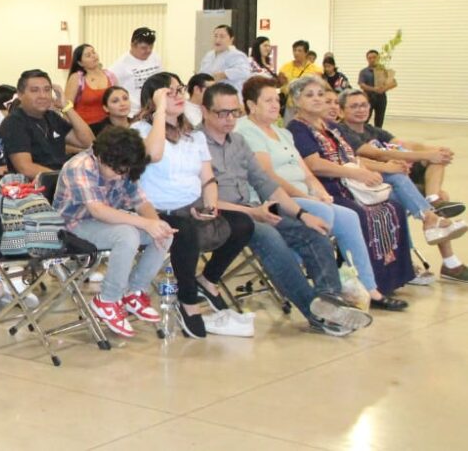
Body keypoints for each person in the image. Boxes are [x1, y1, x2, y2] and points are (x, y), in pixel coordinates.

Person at [201, 82, 377, 333]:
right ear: (205, 111)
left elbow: (265, 182)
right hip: (220, 214)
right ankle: (317, 316)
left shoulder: (238, 141)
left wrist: (302, 214)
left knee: (315, 233)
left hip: (254, 210)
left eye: (234, 112)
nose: (230, 119)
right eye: (222, 113)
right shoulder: (195, 144)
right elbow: (198, 200)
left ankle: (330, 301)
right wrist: (254, 212)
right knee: (271, 239)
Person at [235, 76, 409, 309]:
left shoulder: (282, 133)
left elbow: (307, 172)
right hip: (272, 200)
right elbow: (267, 177)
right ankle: (310, 286)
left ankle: (370, 289)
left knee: (348, 216)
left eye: (277, 100)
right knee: (322, 213)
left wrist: (318, 192)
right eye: (268, 101)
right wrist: (307, 198)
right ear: (251, 105)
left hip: (303, 196)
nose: (275, 105)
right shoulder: (247, 131)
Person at [133, 72, 253, 338]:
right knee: (184, 231)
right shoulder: (141, 131)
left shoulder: (193, 136)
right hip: (157, 211)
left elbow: (208, 179)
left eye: (180, 90)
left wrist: (210, 207)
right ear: (155, 98)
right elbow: (153, 154)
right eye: (169, 92)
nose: (178, 96)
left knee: (243, 224)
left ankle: (207, 279)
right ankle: (188, 301)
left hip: (192, 206)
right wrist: (160, 112)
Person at [285, 75, 414, 295]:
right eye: (309, 95)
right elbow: (314, 165)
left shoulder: (331, 126)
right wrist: (358, 174)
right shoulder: (297, 128)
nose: (317, 99)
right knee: (360, 214)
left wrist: (376, 168)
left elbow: (352, 156)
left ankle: (393, 277)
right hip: (328, 187)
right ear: (296, 101)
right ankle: (366, 283)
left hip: (350, 182)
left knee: (394, 207)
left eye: (320, 94)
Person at [53, 127, 174, 338]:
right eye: (117, 170)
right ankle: (107, 300)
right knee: (127, 235)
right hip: (71, 227)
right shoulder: (79, 166)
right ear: (100, 156)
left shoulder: (124, 165)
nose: (121, 175)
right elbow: (97, 210)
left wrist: (156, 225)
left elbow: (141, 202)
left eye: (125, 170)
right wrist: (145, 223)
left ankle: (134, 291)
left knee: (164, 232)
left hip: (106, 222)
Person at [336, 90, 468, 282]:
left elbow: (406, 144)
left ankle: (433, 201)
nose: (361, 110)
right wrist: (421, 156)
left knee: (438, 176)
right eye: (354, 106)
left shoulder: (374, 131)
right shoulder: (343, 133)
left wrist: (434, 151)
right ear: (341, 110)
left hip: (394, 183)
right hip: (372, 188)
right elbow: (376, 155)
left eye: (364, 105)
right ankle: (442, 248)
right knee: (400, 182)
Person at [0, 68, 93, 177]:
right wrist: (63, 178)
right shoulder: (13, 122)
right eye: (35, 90)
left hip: (59, 181)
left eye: (47, 90)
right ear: (20, 94)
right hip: (35, 186)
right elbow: (25, 168)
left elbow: (88, 142)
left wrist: (66, 107)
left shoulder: (52, 117)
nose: (43, 96)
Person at [109, 26, 162, 116]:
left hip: (155, 110)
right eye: (144, 48)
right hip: (134, 113)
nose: (148, 51)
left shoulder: (155, 57)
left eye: (151, 47)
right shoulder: (120, 66)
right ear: (133, 45)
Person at [65, 43, 117, 129]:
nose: (93, 56)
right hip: (84, 127)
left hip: (108, 127)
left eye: (94, 52)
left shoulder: (110, 75)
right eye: (88, 55)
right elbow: (67, 107)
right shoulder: (77, 78)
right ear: (80, 63)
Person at [197, 24, 251, 93]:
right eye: (215, 36)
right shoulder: (209, 55)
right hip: (210, 94)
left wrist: (224, 74)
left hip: (229, 94)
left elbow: (244, 72)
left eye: (222, 37)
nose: (218, 40)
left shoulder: (236, 55)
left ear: (231, 39)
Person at [357, 48, 397, 128]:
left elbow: (394, 83)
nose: (372, 59)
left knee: (379, 120)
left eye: (374, 57)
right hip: (369, 98)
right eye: (370, 58)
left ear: (378, 58)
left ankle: (378, 137)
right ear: (367, 59)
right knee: (365, 119)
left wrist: (385, 88)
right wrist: (374, 89)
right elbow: (362, 85)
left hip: (381, 98)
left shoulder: (383, 70)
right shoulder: (364, 72)